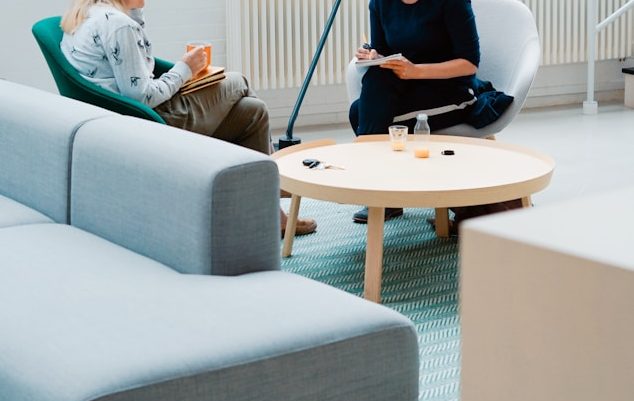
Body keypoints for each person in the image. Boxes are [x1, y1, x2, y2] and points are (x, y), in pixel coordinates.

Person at [60, 0, 316, 237]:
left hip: (123, 121)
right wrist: (185, 68)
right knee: (238, 81)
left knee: (253, 111)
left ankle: (270, 209)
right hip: (152, 122)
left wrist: (135, 11)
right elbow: (142, 96)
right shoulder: (120, 26)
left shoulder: (90, 14)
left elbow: (135, 73)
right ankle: (271, 183)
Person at [350, 0, 513, 225]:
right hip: (409, 87)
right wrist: (373, 57)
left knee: (367, 116)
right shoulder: (380, 2)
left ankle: (379, 189)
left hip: (451, 91)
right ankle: (386, 189)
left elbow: (469, 63)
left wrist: (416, 71)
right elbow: (384, 53)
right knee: (358, 110)